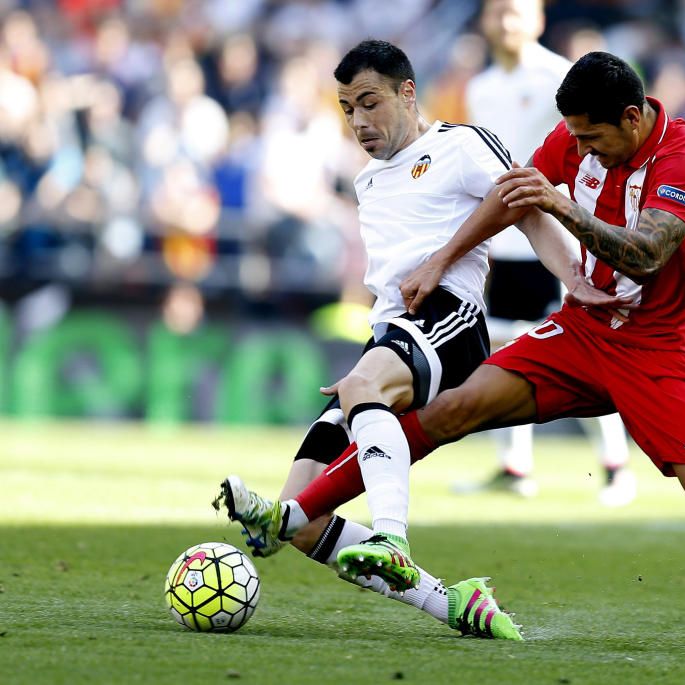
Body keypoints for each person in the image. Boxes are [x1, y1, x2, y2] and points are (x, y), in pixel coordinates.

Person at [226, 52, 685, 664]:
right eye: (575, 139)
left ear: (631, 117)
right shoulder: (577, 135)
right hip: (583, 333)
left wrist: (564, 207)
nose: (582, 150)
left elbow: (646, 252)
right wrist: (443, 258)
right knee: (451, 406)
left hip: (658, 351)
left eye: (593, 139)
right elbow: (513, 194)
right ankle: (291, 514)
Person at [216, 39, 619, 641]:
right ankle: (453, 603)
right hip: (388, 336)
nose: (358, 121)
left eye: (370, 103)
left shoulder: (459, 144)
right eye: (348, 108)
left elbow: (527, 205)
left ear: (408, 93)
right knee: (298, 523)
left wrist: (576, 281)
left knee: (361, 385)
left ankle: (391, 536)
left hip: (451, 320)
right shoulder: (366, 183)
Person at [458, 0, 635, 505]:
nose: (505, 21)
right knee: (505, 349)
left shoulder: (562, 78)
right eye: (496, 11)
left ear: (538, 19)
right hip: (504, 238)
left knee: (575, 351)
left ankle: (616, 465)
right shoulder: (480, 87)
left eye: (515, 11)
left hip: (553, 238)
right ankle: (515, 466)